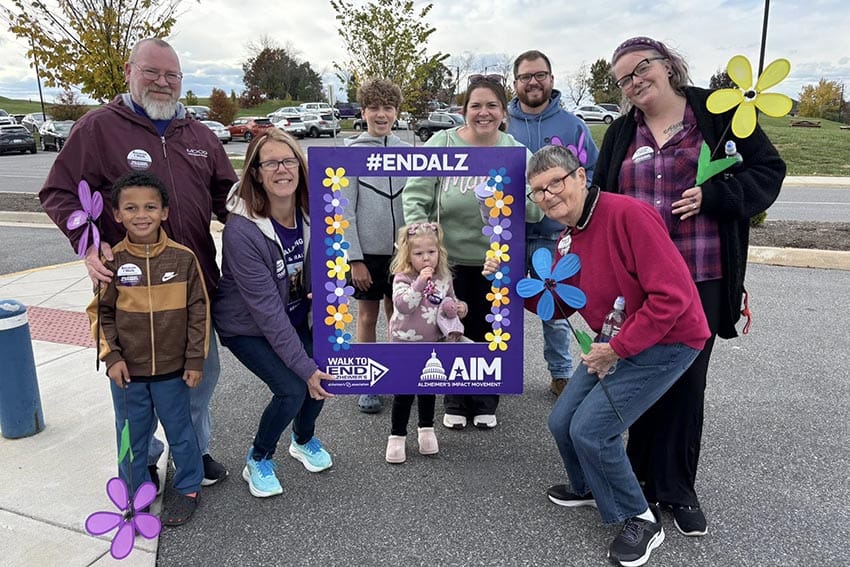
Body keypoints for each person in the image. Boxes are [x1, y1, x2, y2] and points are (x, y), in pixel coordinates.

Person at [594, 36, 786, 537]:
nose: (635, 82)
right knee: (638, 380)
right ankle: (636, 479)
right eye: (624, 79)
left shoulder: (716, 116)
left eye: (642, 69)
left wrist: (717, 195)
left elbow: (769, 171)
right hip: (639, 285)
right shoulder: (620, 133)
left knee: (685, 383)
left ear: (668, 64)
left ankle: (677, 489)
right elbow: (599, 200)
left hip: (700, 275)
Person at [491, 144, 709, 566]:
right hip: (616, 340)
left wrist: (616, 351)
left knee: (591, 431)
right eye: (538, 191)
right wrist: (510, 283)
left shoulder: (628, 215)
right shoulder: (566, 237)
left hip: (670, 340)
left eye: (555, 182)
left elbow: (673, 297)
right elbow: (565, 303)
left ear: (579, 176)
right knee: (561, 421)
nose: (548, 194)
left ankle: (642, 519)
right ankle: (591, 486)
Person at [39, 37, 235, 488]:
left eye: (172, 75)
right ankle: (142, 459)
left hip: (193, 285)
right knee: (133, 389)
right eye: (152, 72)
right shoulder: (98, 128)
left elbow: (230, 201)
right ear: (130, 71)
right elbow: (58, 192)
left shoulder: (200, 135)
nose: (162, 83)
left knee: (198, 378)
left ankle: (195, 451)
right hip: (128, 291)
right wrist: (86, 242)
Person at [403, 76, 542, 430]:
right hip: (447, 261)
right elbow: (415, 196)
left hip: (497, 262)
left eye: (492, 105)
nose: (484, 113)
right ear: (464, 110)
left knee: (488, 328)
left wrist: (512, 201)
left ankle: (484, 399)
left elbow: (537, 208)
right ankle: (454, 397)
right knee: (450, 325)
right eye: (475, 105)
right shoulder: (442, 144)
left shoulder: (516, 152)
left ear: (503, 111)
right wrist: (422, 249)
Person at [213, 128, 334, 498]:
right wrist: (304, 367)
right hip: (247, 327)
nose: (282, 169)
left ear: (300, 166)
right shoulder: (242, 231)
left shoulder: (315, 211)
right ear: (256, 173)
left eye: (289, 160)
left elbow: (326, 262)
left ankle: (302, 439)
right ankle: (259, 457)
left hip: (295, 313)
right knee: (292, 388)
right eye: (271, 163)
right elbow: (266, 312)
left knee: (327, 375)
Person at [87, 171, 208, 527]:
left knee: (181, 433)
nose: (142, 214)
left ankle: (188, 487)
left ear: (165, 212)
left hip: (174, 372)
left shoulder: (183, 259)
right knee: (130, 438)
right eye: (131, 207)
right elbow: (100, 312)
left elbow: (199, 310)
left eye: (151, 207)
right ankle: (134, 489)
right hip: (128, 374)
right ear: (117, 214)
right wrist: (111, 358)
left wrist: (194, 358)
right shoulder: (111, 261)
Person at [507, 50, 599, 397]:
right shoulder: (504, 124)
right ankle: (497, 372)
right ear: (515, 82)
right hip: (505, 235)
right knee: (500, 305)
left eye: (540, 75)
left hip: (553, 234)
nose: (533, 82)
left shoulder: (572, 126)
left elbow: (589, 174)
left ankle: (560, 373)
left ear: (551, 79)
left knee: (554, 307)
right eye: (525, 76)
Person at [341, 78, 412, 415]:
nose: (381, 115)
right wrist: (354, 258)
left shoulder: (408, 151)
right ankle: (368, 381)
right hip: (367, 255)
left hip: (402, 253)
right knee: (367, 316)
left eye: (388, 108)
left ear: (396, 112)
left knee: (398, 315)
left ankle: (399, 375)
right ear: (363, 111)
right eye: (374, 108)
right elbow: (345, 212)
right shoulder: (351, 154)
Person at [384, 222, 467, 464]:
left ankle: (426, 429)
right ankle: (397, 435)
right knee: (404, 393)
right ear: (408, 255)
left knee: (428, 388)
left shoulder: (444, 277)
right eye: (419, 254)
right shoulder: (402, 277)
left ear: (439, 251)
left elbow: (450, 301)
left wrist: (461, 308)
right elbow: (403, 305)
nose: (426, 258)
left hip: (434, 341)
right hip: (403, 342)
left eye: (431, 252)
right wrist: (419, 282)